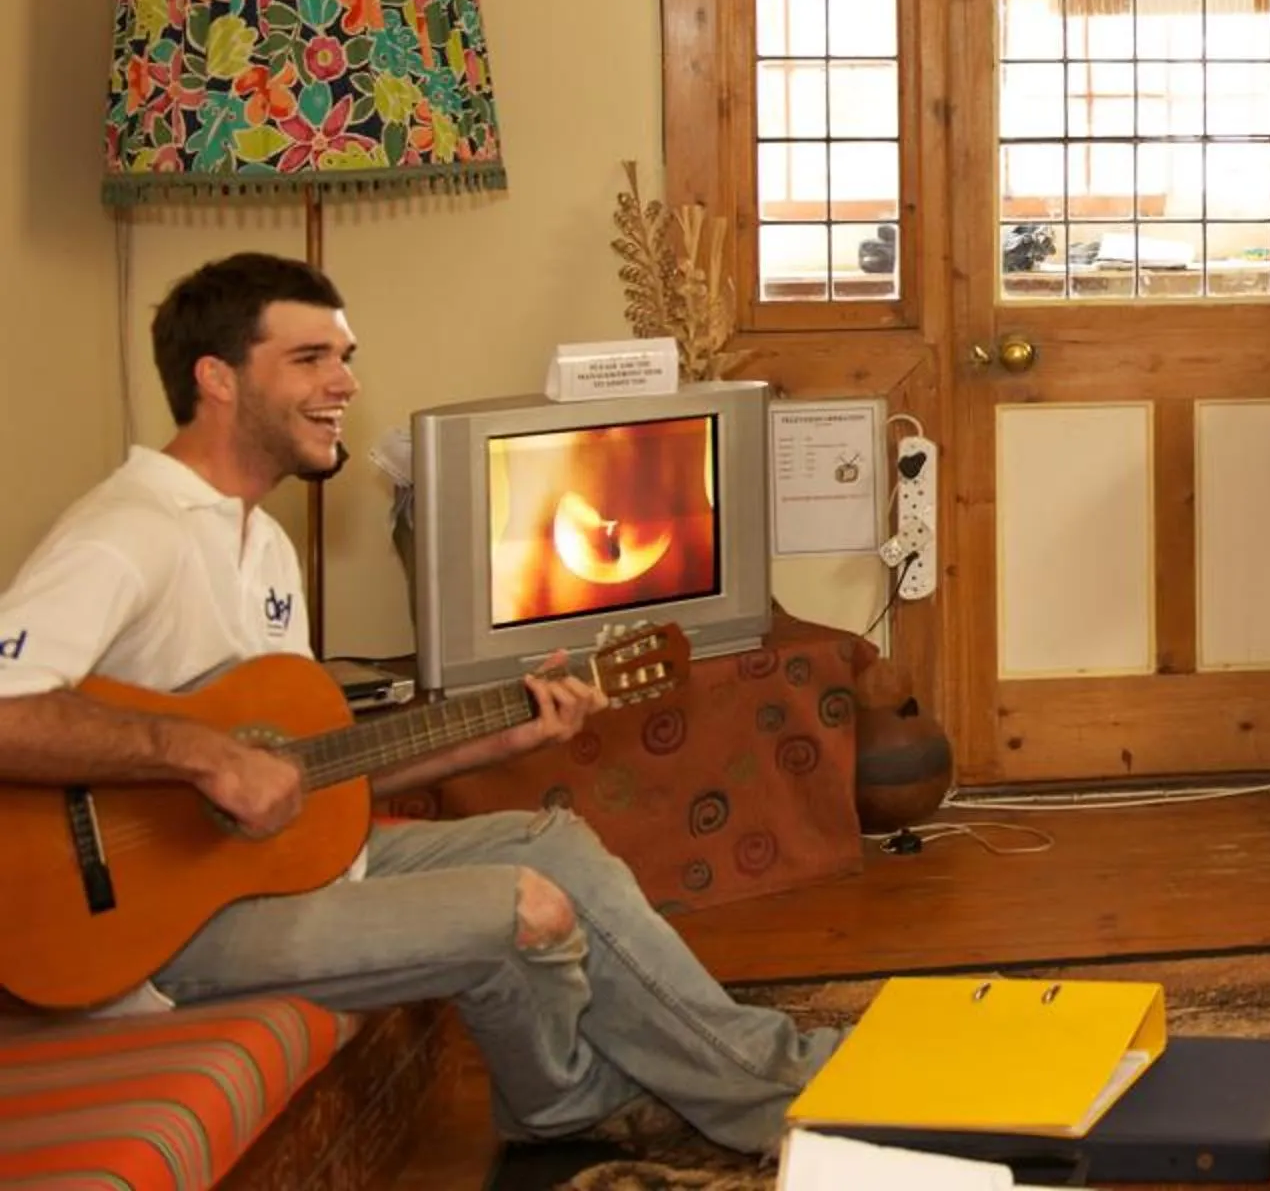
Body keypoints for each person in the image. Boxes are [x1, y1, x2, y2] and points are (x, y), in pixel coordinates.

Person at [0, 255, 839, 1155]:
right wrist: (203, 756)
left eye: (345, 356)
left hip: (270, 870)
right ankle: (673, 1104)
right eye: (311, 358)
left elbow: (316, 769)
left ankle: (732, 1083)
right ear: (217, 377)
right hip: (156, 934)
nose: (345, 383)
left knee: (552, 842)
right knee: (527, 907)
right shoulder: (130, 531)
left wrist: (502, 734)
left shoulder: (259, 540)